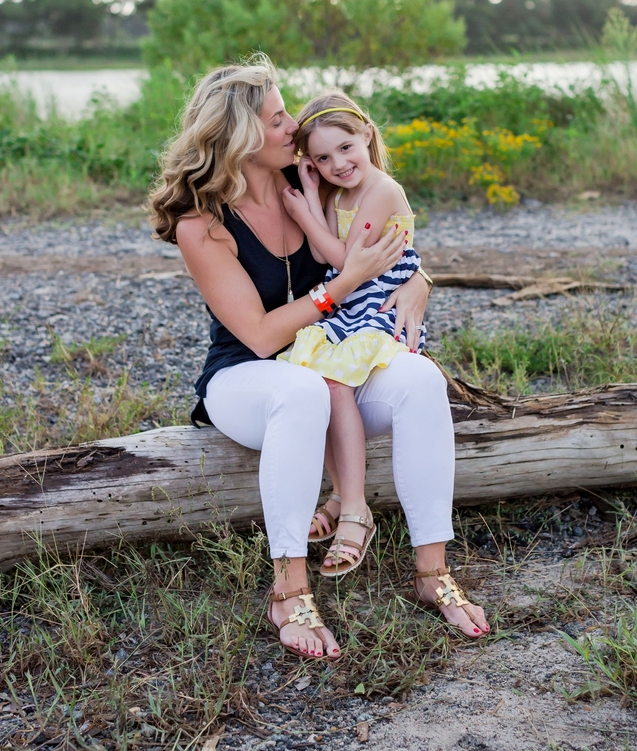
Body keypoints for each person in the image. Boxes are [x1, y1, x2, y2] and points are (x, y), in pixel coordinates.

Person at [149, 55, 489, 661]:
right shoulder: (201, 222)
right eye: (278, 118)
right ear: (243, 135)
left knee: (417, 377)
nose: (293, 126)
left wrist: (421, 279)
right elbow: (256, 335)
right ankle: (290, 592)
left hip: (332, 358)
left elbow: (382, 242)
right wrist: (339, 287)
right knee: (300, 390)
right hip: (248, 380)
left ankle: (432, 571)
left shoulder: (309, 185)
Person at [278, 91, 425, 579]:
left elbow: (347, 264)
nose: (338, 163)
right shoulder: (339, 190)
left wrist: (303, 214)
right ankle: (341, 493)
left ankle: (354, 504)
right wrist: (308, 187)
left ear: (366, 134)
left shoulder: (382, 189)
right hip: (350, 307)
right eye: (322, 157)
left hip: (377, 309)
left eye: (345, 147)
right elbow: (330, 259)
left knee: (332, 380)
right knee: (308, 379)